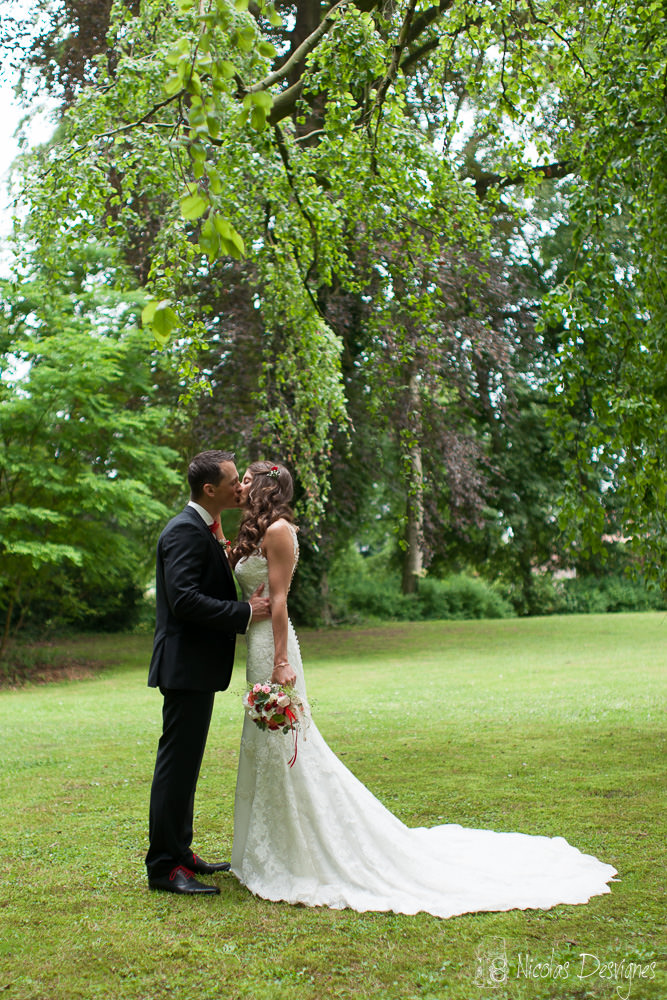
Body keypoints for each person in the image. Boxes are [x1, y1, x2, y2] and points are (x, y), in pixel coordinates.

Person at [228, 460, 618, 918]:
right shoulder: (251, 532)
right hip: (253, 644)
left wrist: (279, 663)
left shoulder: (278, 531)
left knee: (291, 743)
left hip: (273, 648)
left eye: (249, 479)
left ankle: (301, 849)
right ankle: (272, 843)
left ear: (268, 487)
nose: (242, 486)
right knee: (265, 742)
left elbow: (278, 601)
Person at [145, 450, 271, 896]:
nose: (242, 487)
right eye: (235, 481)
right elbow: (184, 600)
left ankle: (180, 851)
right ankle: (163, 867)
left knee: (186, 765)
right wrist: (244, 611)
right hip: (184, 668)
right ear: (209, 489)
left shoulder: (206, 529)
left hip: (196, 668)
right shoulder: (184, 531)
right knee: (176, 767)